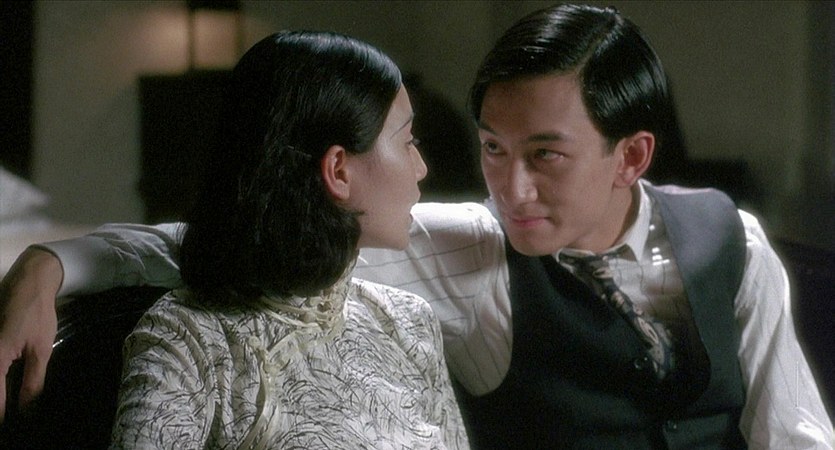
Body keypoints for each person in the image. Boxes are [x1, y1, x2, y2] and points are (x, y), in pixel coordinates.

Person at [1, 3, 833, 449]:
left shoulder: (730, 242)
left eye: (545, 155)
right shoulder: (460, 247)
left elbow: (792, 435)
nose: (509, 187)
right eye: (492, 148)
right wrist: (51, 263)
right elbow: (248, 232)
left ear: (631, 156)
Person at [41, 30, 469, 448]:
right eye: (407, 142)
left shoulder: (409, 323)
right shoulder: (191, 343)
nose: (421, 168)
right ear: (338, 170)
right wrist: (46, 266)